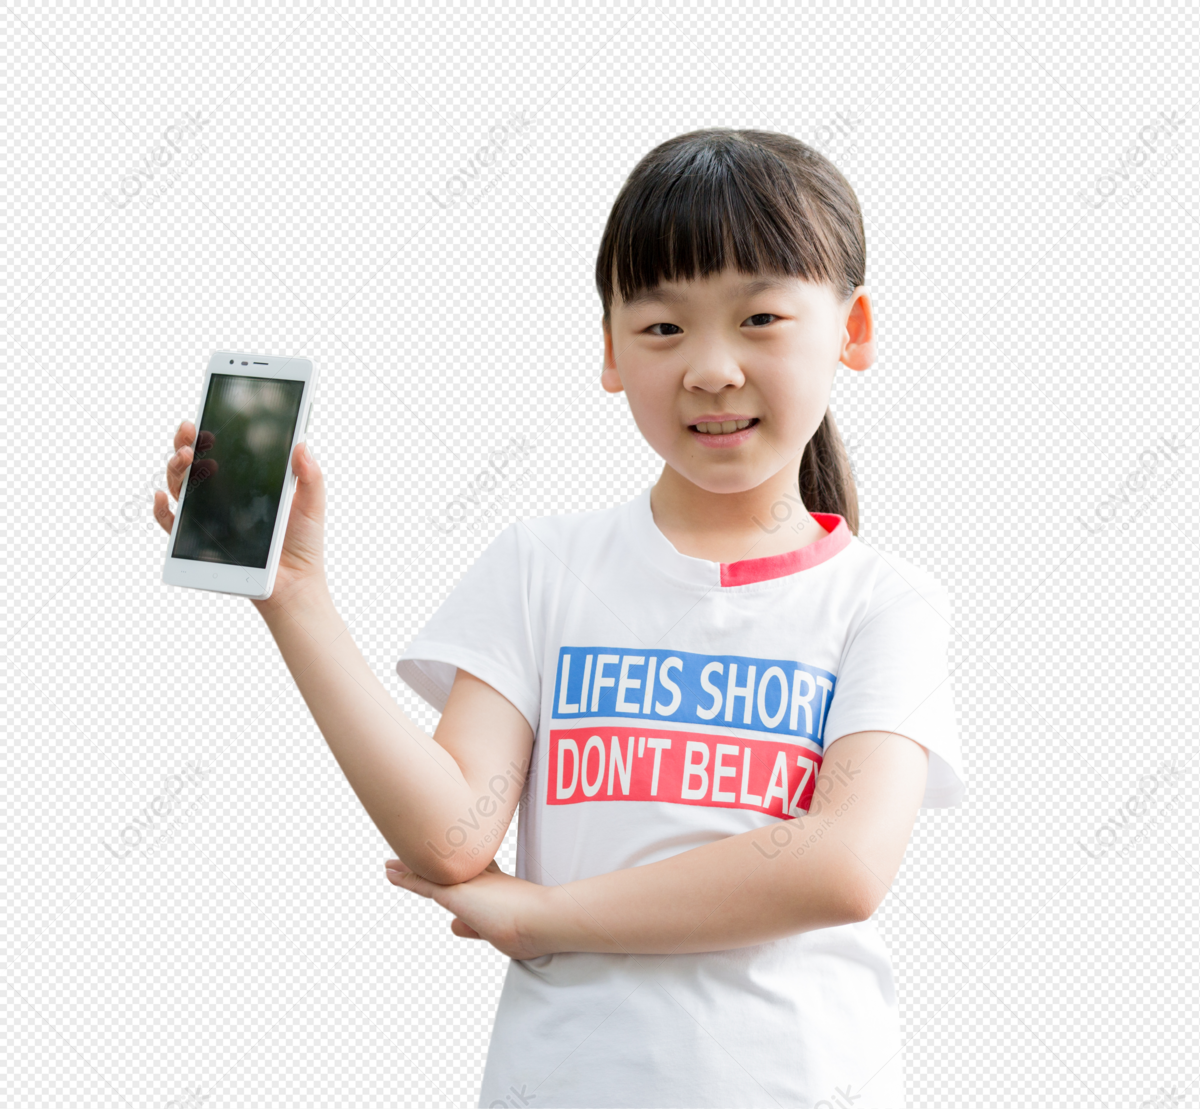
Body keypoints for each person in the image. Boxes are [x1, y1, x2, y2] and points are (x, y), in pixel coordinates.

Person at [154, 127, 966, 1108]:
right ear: (612, 349)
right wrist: (297, 601)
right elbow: (454, 832)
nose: (711, 367)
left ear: (853, 329)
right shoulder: (542, 567)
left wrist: (548, 914)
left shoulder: (886, 602)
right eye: (664, 327)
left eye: (759, 318)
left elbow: (841, 863)